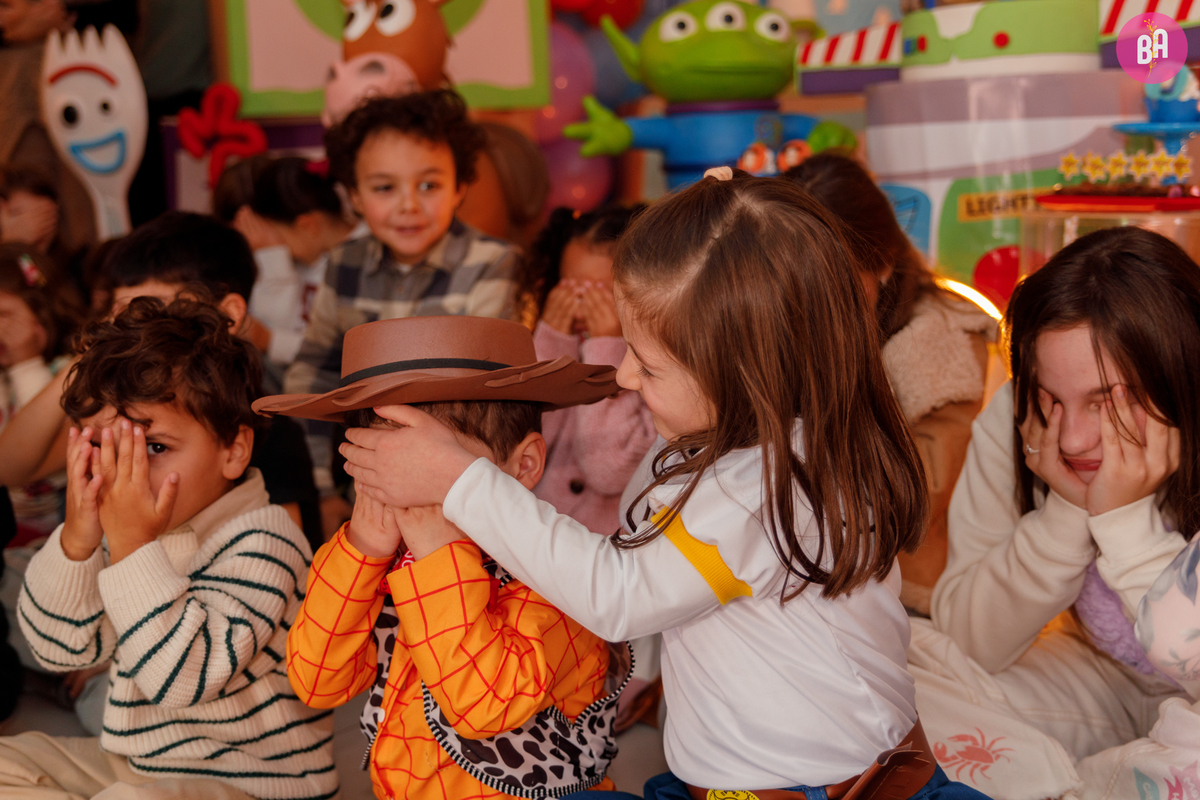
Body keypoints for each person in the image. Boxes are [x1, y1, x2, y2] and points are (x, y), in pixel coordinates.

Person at [338, 170, 990, 800]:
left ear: (740, 372)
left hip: (809, 789)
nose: (623, 378)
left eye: (645, 366)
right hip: (751, 776)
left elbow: (616, 592)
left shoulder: (759, 489)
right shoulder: (764, 439)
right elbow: (637, 518)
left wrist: (457, 476)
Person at [258, 315, 638, 800]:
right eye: (387, 468)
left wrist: (439, 553)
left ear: (521, 466)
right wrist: (362, 550)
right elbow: (317, 682)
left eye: (434, 473)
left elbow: (486, 706)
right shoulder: (379, 556)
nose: (408, 496)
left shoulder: (553, 571)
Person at [902, 226, 1200, 800]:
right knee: (905, 676)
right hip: (1098, 681)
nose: (1075, 438)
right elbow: (970, 640)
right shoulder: (1018, 424)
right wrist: (1066, 510)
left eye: (1106, 399)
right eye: (1050, 396)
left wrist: (1124, 522)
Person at [2, 297, 334, 800]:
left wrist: (134, 546)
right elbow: (59, 647)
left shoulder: (266, 541)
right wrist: (76, 540)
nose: (125, 471)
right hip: (141, 764)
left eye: (154, 447)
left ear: (233, 450)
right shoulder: (123, 531)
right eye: (105, 446)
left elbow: (183, 679)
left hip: (253, 784)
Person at [0, 212, 324, 550]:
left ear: (229, 315)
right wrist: (94, 355)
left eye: (152, 310)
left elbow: (289, 558)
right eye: (121, 313)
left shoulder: (264, 425)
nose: (134, 327)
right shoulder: (117, 408)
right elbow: (11, 468)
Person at [283, 89, 522, 540]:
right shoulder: (344, 263)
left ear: (460, 187)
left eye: (429, 185)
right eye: (384, 187)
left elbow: (489, 396)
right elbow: (312, 376)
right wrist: (322, 488)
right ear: (354, 194)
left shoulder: (494, 264)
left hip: (459, 491)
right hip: (361, 487)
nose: (409, 205)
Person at [783, 153, 997, 616]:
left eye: (837, 280)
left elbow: (923, 495)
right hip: (835, 578)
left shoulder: (932, 337)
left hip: (920, 594)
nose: (818, 299)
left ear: (881, 259)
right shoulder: (813, 329)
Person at [0, 245, 82, 542]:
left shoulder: (66, 371)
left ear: (41, 318)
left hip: (52, 525)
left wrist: (25, 363)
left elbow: (44, 455)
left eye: (4, 315)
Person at [244, 157, 354, 370]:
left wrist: (270, 340)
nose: (276, 247)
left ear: (307, 225)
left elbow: (345, 354)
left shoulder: (357, 261)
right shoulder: (312, 259)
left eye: (276, 237)